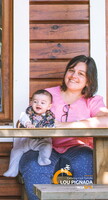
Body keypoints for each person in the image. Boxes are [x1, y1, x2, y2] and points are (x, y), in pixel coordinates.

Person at [19, 55, 108, 200]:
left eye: (81, 73)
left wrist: (70, 125)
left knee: (86, 161)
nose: (73, 76)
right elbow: (27, 119)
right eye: (71, 70)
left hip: (78, 148)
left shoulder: (93, 101)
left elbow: (106, 121)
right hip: (43, 145)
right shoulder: (48, 95)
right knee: (33, 165)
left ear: (89, 80)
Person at [3, 89, 55, 177]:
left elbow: (53, 126)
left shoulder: (49, 117)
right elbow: (23, 119)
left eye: (43, 103)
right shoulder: (28, 114)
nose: (38, 104)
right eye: (35, 102)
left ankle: (43, 158)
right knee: (16, 150)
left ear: (49, 106)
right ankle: (12, 169)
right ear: (31, 103)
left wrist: (49, 129)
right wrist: (27, 123)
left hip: (41, 141)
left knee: (47, 146)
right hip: (26, 141)